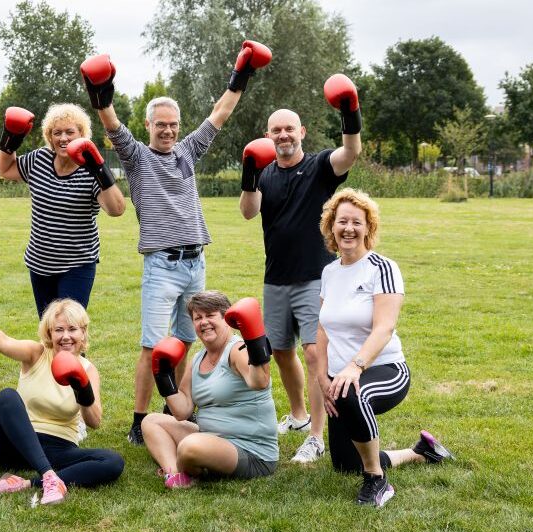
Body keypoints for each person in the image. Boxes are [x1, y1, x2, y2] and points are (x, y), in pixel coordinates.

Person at [80, 41, 272, 445]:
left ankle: (174, 407)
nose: (167, 130)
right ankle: (137, 419)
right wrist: (101, 91)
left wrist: (243, 72)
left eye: (172, 124)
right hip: (162, 265)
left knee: (188, 338)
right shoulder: (136, 156)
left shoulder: (188, 152)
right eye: (160, 124)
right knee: (153, 346)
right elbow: (112, 124)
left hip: (195, 262)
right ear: (149, 126)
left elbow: (220, 112)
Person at [236, 74, 364, 464]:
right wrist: (249, 172)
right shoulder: (264, 173)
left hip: (314, 276)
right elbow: (248, 211)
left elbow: (351, 153)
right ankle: (296, 415)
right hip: (276, 276)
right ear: (267, 135)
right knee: (280, 351)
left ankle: (316, 436)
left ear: (302, 132)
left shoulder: (320, 165)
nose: (283, 135)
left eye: (289, 128)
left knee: (314, 354)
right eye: (276, 130)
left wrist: (349, 110)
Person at [315, 188, 454, 507]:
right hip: (339, 379)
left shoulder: (382, 268)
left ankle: (377, 481)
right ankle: (420, 452)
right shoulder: (329, 272)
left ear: (368, 228)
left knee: (353, 393)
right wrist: (323, 378)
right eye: (341, 221)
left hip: (385, 370)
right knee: (344, 464)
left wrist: (355, 366)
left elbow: (384, 327)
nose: (348, 228)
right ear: (331, 226)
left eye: (356, 222)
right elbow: (322, 328)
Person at [0, 298, 125, 506]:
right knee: (7, 396)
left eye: (72, 329)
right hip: (18, 445)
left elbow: (94, 421)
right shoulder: (36, 353)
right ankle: (49, 476)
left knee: (112, 461)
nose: (66, 336)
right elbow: (3, 342)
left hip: (60, 448)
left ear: (83, 333)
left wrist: (81, 387)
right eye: (59, 330)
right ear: (49, 333)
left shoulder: (88, 370)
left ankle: (30, 483)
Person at [0, 103, 126, 317]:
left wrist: (99, 169)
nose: (63, 138)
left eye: (70, 132)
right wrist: (10, 138)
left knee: (68, 325)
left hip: (77, 265)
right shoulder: (39, 159)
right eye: (57, 133)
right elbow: (6, 169)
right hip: (40, 262)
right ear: (50, 136)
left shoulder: (90, 169)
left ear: (82, 135)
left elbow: (117, 209)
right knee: (48, 328)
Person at [140, 291, 279, 487]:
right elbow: (182, 411)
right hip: (210, 438)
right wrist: (163, 377)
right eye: (198, 318)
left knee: (189, 446)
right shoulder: (198, 358)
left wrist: (256, 344)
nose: (203, 322)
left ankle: (186, 463)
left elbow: (259, 381)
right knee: (151, 421)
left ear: (225, 319)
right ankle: (174, 474)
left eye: (210, 315)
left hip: (250, 451)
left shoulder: (237, 350)